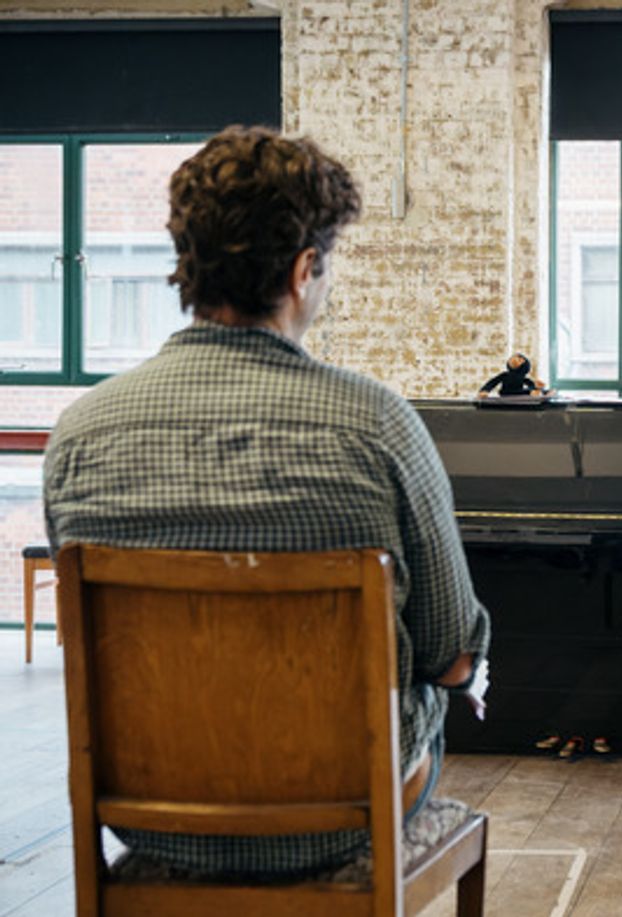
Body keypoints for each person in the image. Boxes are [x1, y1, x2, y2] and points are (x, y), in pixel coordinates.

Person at [43, 125, 491, 875]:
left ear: (190, 265)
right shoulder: (376, 424)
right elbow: (451, 655)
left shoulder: (79, 434)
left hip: (150, 820)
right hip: (345, 819)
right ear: (304, 269)